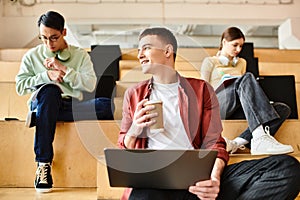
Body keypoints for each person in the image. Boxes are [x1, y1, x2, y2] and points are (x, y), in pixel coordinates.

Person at [117, 27, 300, 200]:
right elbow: (124, 151)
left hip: (199, 179)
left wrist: (214, 179)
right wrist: (135, 129)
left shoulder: (200, 89)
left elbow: (215, 142)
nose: (139, 54)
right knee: (141, 195)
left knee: (287, 169)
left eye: (146, 48)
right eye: (139, 49)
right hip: (155, 184)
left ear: (167, 51)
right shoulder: (134, 94)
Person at [15, 11, 114, 193]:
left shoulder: (80, 56)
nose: (48, 44)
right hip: (43, 100)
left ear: (64, 33)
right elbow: (20, 86)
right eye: (43, 38)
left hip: (71, 105)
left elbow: (90, 84)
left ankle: (43, 117)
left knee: (106, 105)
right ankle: (43, 164)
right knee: (50, 90)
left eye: (54, 37)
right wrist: (46, 76)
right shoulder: (32, 56)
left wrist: (64, 69)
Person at [200, 26, 294, 155]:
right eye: (235, 45)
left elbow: (245, 88)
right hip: (218, 104)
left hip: (238, 105)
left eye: (241, 46)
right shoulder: (210, 61)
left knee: (282, 109)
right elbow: (203, 91)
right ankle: (259, 137)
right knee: (247, 77)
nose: (238, 49)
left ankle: (237, 143)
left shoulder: (241, 63)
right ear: (224, 42)